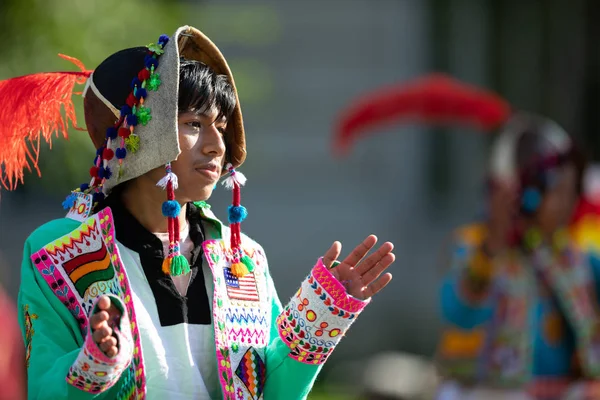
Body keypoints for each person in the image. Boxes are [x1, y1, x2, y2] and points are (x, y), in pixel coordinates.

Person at [0, 26, 395, 399]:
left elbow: (270, 390)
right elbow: (42, 385)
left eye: (221, 126)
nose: (216, 145)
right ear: (135, 134)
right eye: (193, 123)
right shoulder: (59, 252)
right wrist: (96, 362)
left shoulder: (243, 259)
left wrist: (319, 317)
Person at [435, 113, 600, 400]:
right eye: (559, 191)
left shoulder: (577, 259)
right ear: (526, 194)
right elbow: (459, 313)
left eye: (573, 190)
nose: (570, 201)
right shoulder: (475, 246)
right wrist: (491, 249)